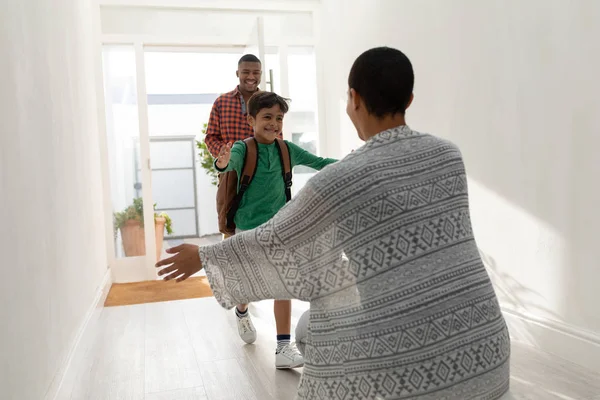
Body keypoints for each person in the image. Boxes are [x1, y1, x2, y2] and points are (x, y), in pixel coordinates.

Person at [157, 47, 511, 399]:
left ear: (353, 99)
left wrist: (204, 256)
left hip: (413, 371)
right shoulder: (449, 155)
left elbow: (277, 239)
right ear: (410, 98)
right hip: (490, 352)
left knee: (311, 330)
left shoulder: (342, 178)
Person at [214, 90, 337, 368]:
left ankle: (283, 348)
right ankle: (242, 311)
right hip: (247, 230)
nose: (274, 123)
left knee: (284, 284)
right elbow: (227, 164)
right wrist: (221, 162)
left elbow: (320, 163)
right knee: (248, 285)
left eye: (279, 118)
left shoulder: (286, 149)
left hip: (280, 228)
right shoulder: (242, 149)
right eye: (267, 117)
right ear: (251, 120)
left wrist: (351, 163)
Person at [204, 54, 294, 360]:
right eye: (246, 72)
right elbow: (211, 137)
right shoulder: (223, 102)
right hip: (234, 174)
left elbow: (277, 138)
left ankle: (282, 341)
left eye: (255, 72)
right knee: (234, 240)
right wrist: (226, 157)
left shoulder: (268, 104)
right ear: (238, 73)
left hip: (265, 176)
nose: (251, 76)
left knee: (277, 262)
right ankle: (241, 297)